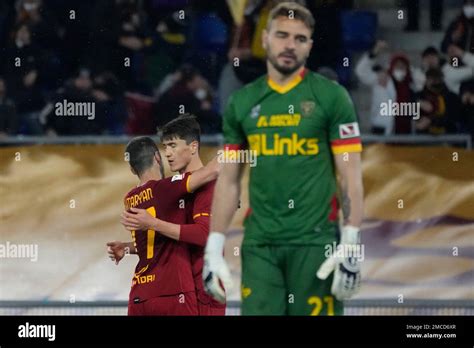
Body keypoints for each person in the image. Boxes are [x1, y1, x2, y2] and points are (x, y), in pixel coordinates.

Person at [203, 2, 364, 315]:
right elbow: (229, 181)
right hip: (260, 244)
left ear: (310, 47)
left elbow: (350, 176)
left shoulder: (331, 97)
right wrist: (213, 248)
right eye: (282, 35)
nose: (290, 45)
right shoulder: (242, 102)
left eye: (300, 38)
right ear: (264, 39)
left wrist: (352, 239)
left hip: (317, 243)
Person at [120, 115, 226, 315]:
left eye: (173, 145)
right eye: (165, 147)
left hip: (204, 295)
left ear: (193, 147)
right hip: (182, 292)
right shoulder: (172, 188)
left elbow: (205, 235)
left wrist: (153, 223)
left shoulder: (208, 187)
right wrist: (128, 248)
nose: (167, 153)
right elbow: (165, 241)